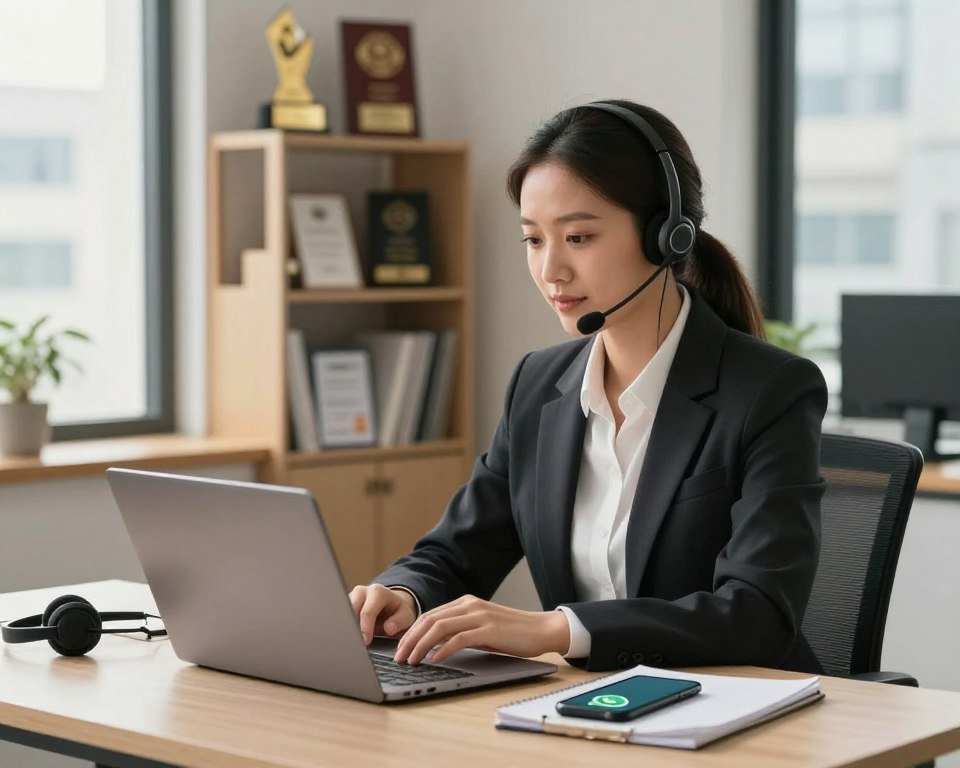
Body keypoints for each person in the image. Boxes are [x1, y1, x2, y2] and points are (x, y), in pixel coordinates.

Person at [348, 99, 827, 673]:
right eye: (533, 240)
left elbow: (756, 614)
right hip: (590, 712)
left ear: (666, 237)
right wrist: (403, 593)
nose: (551, 270)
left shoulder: (770, 392)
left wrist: (557, 629)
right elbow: (455, 552)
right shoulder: (538, 385)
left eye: (577, 238)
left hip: (737, 712)